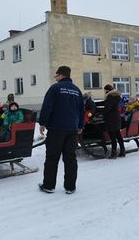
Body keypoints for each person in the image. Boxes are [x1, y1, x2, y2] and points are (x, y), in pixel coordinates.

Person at [38, 65, 84, 194]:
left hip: (56, 128)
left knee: (52, 157)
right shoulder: (77, 90)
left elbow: (47, 106)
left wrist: (42, 123)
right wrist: (80, 125)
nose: (56, 78)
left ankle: (48, 185)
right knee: (70, 158)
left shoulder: (55, 88)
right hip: (72, 129)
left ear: (62, 75)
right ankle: (70, 187)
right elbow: (81, 110)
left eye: (57, 75)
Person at [95, 84, 126, 158]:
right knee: (118, 135)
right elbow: (105, 103)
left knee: (113, 136)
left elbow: (107, 108)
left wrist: (99, 112)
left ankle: (114, 153)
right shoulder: (115, 96)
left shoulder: (110, 97)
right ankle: (122, 151)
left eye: (105, 91)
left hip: (111, 119)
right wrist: (95, 103)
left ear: (107, 91)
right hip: (116, 118)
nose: (104, 92)